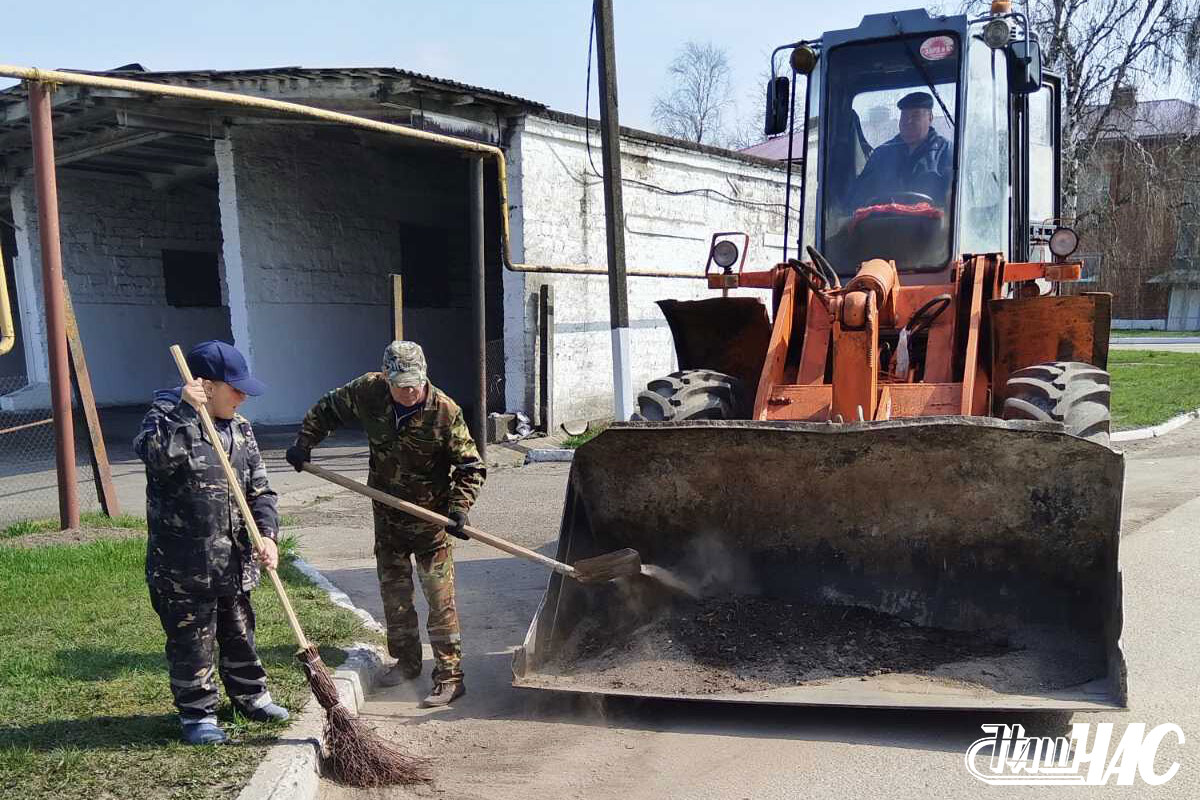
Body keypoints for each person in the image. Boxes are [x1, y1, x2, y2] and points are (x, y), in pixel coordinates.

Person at [285, 341, 485, 708]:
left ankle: (450, 677)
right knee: (395, 597)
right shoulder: (368, 391)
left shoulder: (444, 411)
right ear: (386, 378)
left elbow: (471, 467)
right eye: (401, 386)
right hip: (388, 517)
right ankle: (407, 664)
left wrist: (459, 508)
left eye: (415, 385)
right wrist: (304, 443)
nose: (409, 393)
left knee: (440, 600)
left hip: (431, 522)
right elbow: (327, 409)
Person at [135, 340, 288, 745]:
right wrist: (187, 412)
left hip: (234, 561)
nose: (242, 396)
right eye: (234, 388)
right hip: (183, 567)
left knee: (240, 632)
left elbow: (261, 491)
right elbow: (156, 458)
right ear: (205, 385)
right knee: (192, 642)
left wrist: (268, 535)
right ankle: (198, 714)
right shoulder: (166, 417)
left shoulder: (240, 428)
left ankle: (250, 696)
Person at [851, 91, 954, 209]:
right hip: (883, 225)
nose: (908, 122)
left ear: (930, 118)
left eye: (915, 116)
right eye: (904, 116)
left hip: (930, 226)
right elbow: (857, 198)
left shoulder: (947, 153)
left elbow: (953, 205)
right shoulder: (881, 155)